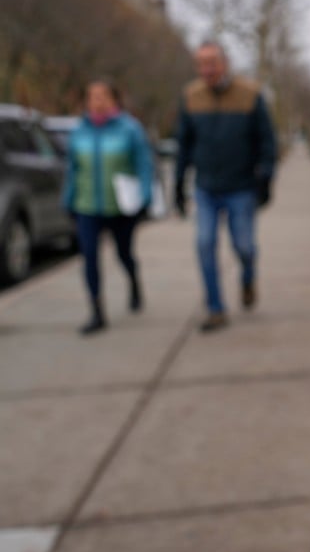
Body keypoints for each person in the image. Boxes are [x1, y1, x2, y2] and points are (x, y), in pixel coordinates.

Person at [174, 41, 277, 332]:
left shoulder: (250, 95)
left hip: (241, 187)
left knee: (244, 246)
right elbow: (184, 145)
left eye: (212, 63)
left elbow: (267, 142)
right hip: (206, 187)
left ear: (225, 63)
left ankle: (248, 276)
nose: (206, 70)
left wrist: (265, 178)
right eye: (201, 64)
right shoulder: (191, 97)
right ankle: (215, 308)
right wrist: (178, 185)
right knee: (205, 244)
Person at [62, 79, 153, 335]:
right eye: (92, 96)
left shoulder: (129, 129)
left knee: (123, 254)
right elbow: (72, 169)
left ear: (114, 99)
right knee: (89, 256)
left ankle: (133, 280)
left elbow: (144, 164)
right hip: (87, 205)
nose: (97, 101)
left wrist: (144, 197)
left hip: (121, 205)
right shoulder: (80, 130)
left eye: (102, 96)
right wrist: (68, 199)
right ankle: (96, 311)